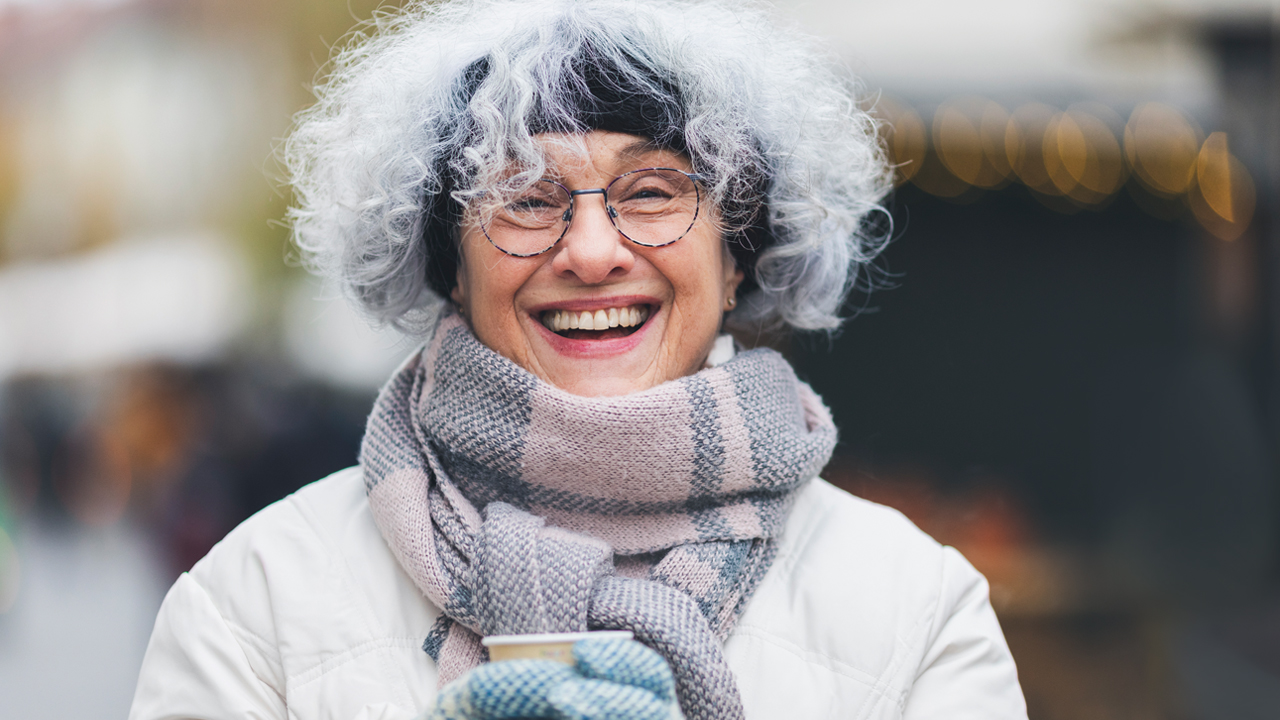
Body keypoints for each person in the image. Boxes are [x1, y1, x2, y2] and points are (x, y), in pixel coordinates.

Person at [129, 1, 1027, 718]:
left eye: (652, 191)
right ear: (448, 263)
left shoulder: (917, 613)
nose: (592, 249)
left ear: (738, 252)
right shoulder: (253, 607)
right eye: (524, 196)